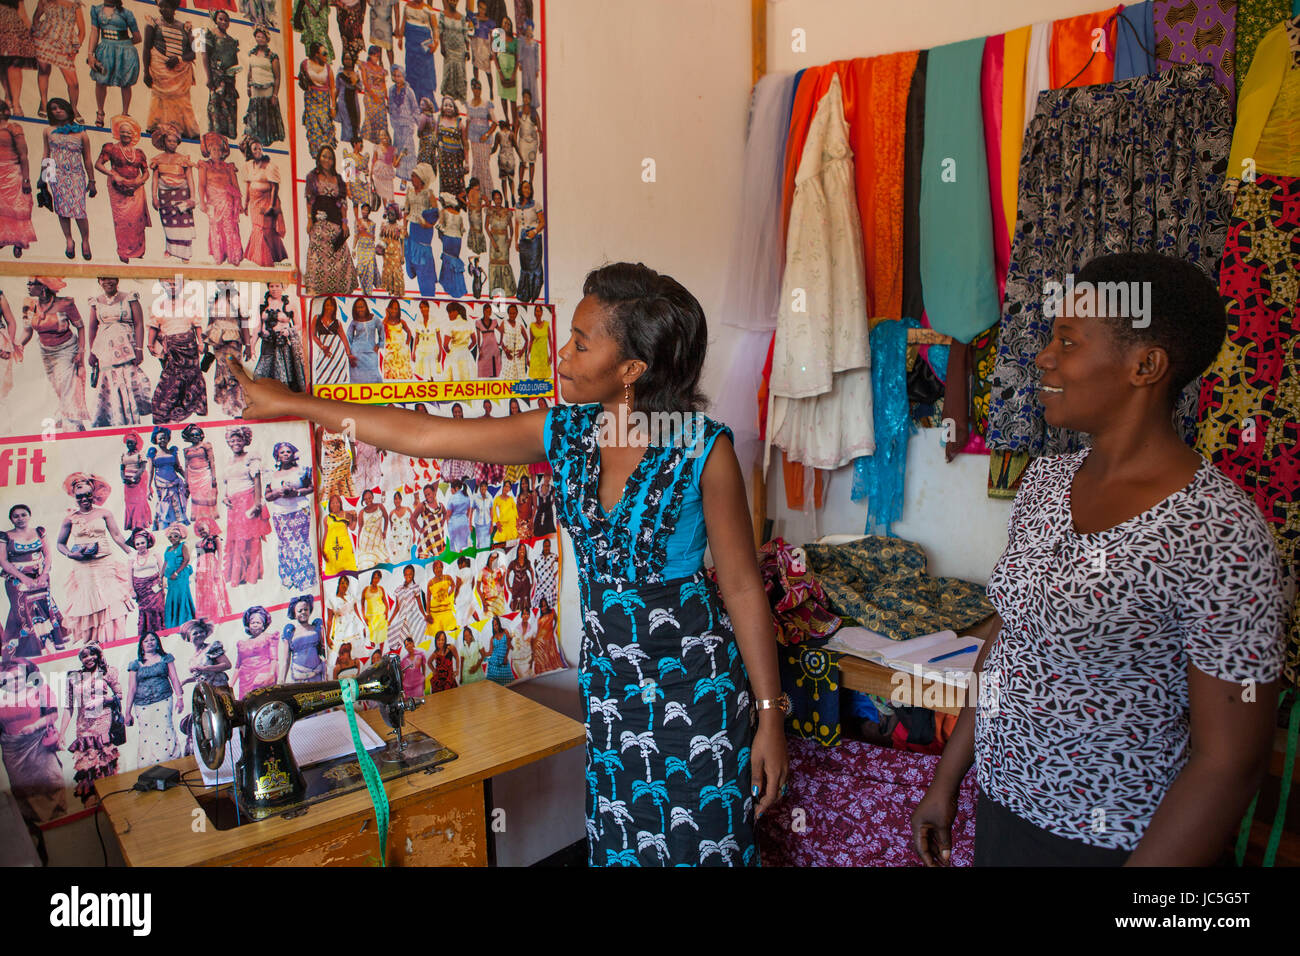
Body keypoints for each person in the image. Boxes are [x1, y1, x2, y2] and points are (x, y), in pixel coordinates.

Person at [229, 260, 789, 867]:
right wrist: (293, 402)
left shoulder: (704, 451)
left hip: (695, 697)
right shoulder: (567, 434)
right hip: (610, 699)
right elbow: (425, 437)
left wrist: (769, 718)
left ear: (630, 370)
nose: (564, 355)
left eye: (581, 343)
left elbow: (740, 588)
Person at [911, 253, 1290, 868]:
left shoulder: (1220, 532)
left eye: (1068, 340)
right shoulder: (1046, 485)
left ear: (1145, 366)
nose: (1044, 356)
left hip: (1121, 844)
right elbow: (1011, 645)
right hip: (1004, 807)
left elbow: (1231, 761)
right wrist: (948, 781)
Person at [57, 472, 134, 646]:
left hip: (104, 564)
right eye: (80, 496)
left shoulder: (104, 513)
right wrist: (71, 554)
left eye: (87, 495)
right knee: (88, 604)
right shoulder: (70, 518)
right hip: (83, 568)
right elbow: (60, 544)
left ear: (93, 495)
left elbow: (117, 536)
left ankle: (114, 642)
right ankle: (93, 645)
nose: (84, 499)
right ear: (75, 497)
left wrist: (131, 553)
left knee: (112, 603)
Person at [0, 659, 65, 824]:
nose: (13, 682)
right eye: (7, 679)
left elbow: (53, 715)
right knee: (24, 792)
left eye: (17, 677)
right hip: (14, 755)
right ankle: (34, 825)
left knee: (52, 781)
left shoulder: (40, 690)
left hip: (39, 747)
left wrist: (35, 726)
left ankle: (61, 820)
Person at [0, 504, 65, 657]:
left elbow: (48, 556)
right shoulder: (5, 536)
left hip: (40, 578)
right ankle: (27, 650)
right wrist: (23, 578)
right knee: (22, 611)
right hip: (16, 579)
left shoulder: (39, 531)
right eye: (16, 516)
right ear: (11, 519)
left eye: (23, 515)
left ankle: (48, 646)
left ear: (29, 516)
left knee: (44, 608)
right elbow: (3, 561)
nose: (20, 518)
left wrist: (43, 575)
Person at [60, 643, 121, 803]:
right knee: (87, 765)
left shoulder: (108, 672)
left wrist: (102, 699)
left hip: (103, 722)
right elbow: (68, 707)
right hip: (84, 726)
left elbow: (119, 695)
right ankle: (92, 800)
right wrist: (61, 733)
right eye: (84, 656)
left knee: (104, 761)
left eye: (92, 654)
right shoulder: (74, 677)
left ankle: (110, 797)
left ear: (98, 655)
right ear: (81, 659)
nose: (89, 658)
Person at [87, 278, 151, 428]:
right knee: (109, 381)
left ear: (117, 280)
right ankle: (114, 420)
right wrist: (92, 353)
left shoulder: (130, 298)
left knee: (127, 380)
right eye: (104, 279)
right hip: (105, 351)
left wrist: (139, 349)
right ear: (99, 281)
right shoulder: (95, 302)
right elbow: (92, 327)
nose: (108, 282)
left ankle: (130, 420)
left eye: (111, 279)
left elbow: (139, 324)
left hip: (126, 348)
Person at [41, 97, 94, 260]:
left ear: (68, 109)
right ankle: (69, 240)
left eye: (60, 107)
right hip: (56, 175)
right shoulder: (48, 131)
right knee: (62, 210)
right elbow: (46, 155)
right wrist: (43, 179)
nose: (57, 111)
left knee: (79, 210)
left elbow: (87, 159)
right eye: (53, 108)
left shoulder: (81, 132)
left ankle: (85, 240)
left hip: (76, 174)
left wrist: (92, 181)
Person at [146, 279, 205, 423]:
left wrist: (201, 342)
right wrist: (150, 344)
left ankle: (188, 408)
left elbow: (197, 325)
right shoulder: (158, 306)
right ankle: (166, 411)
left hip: (189, 347)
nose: (172, 287)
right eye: (168, 283)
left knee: (191, 378)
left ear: (182, 286)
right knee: (171, 378)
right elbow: (154, 327)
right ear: (162, 285)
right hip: (172, 349)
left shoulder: (189, 305)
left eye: (175, 284)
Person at [94, 115, 150, 263]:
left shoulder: (138, 153)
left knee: (137, 221)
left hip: (136, 190)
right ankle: (124, 251)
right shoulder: (111, 148)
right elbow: (98, 164)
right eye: (123, 132)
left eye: (129, 132)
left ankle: (138, 251)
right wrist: (113, 174)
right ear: (118, 133)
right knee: (122, 221)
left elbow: (146, 172)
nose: (126, 135)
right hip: (118, 189)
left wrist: (140, 181)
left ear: (134, 135)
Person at [304, 145, 357, 295]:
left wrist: (345, 222)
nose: (327, 160)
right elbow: (309, 199)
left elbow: (343, 202)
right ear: (319, 158)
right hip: (319, 224)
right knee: (317, 257)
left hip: (335, 223)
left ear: (334, 160)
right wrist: (309, 220)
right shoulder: (312, 176)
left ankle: (341, 290)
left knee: (341, 254)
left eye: (330, 157)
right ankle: (317, 289)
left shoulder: (338, 179)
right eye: (324, 156)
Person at [142, 0, 199, 139]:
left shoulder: (185, 27)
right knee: (161, 99)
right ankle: (158, 129)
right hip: (160, 69)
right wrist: (145, 72)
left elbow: (193, 53)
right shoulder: (153, 23)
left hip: (180, 71)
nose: (162, 9)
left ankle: (183, 129)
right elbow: (146, 48)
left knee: (182, 101)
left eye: (166, 6)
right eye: (160, 6)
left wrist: (178, 59)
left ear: (173, 6)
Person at [264, 441, 316, 592]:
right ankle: (290, 578)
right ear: (277, 456)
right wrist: (277, 493)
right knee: (286, 546)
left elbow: (310, 487)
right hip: (281, 514)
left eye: (288, 452)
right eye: (282, 452)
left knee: (301, 544)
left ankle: (305, 579)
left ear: (293, 454)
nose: (285, 454)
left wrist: (297, 493)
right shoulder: (271, 474)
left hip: (300, 511)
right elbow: (267, 496)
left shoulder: (302, 470)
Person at [124, 630, 182, 764]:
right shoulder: (135, 664)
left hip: (163, 700)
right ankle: (150, 765)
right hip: (142, 705)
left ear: (157, 642)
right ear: (141, 645)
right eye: (146, 640)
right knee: (147, 734)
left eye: (153, 639)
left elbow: (174, 678)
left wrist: (179, 698)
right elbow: (131, 689)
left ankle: (171, 762)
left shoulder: (166, 658)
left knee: (165, 729)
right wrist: (127, 712)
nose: (150, 642)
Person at [221, 426, 269, 586]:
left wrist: (257, 504)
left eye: (239, 440)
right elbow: (227, 482)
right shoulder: (228, 460)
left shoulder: (251, 458)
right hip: (233, 505)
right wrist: (225, 497)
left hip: (248, 500)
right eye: (232, 440)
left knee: (249, 538)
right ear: (228, 442)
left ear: (245, 441)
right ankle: (237, 574)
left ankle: (251, 574)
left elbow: (257, 481)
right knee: (235, 538)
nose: (236, 443)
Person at [149, 122, 195, 262]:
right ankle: (170, 249)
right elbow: (155, 179)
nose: (172, 144)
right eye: (169, 141)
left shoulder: (183, 159)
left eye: (175, 141)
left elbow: (190, 179)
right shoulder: (158, 159)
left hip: (181, 193)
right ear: (164, 141)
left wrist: (193, 197)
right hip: (165, 195)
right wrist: (154, 197)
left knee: (182, 224)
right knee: (168, 223)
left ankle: (185, 253)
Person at [32, 0, 84, 121]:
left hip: (65, 45)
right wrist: (38, 35)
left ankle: (73, 109)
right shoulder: (44, 1)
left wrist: (75, 49)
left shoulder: (75, 5)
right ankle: (44, 104)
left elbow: (82, 31)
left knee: (73, 83)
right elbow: (35, 19)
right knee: (44, 71)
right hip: (45, 40)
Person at [196, 131, 242, 266]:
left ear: (223, 152)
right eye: (213, 149)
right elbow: (201, 185)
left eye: (219, 149)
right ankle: (219, 256)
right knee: (215, 228)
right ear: (209, 150)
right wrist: (202, 202)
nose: (216, 151)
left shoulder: (229, 167)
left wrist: (239, 205)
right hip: (213, 202)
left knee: (229, 228)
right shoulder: (204, 166)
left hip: (228, 201)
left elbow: (236, 186)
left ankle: (233, 257)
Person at [241, 136, 288, 265]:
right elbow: (248, 185)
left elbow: (275, 187)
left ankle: (267, 258)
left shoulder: (270, 166)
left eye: (260, 148)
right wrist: (245, 204)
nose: (258, 151)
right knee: (256, 228)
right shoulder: (248, 166)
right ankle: (256, 257)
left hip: (266, 201)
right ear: (250, 151)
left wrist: (271, 206)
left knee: (264, 228)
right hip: (254, 203)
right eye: (255, 149)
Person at [0, 98, 34, 257]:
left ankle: (19, 241)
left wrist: (26, 179)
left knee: (18, 208)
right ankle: (3, 238)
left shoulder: (13, 127)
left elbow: (23, 154)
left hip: (13, 172)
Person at [255, 283, 305, 392]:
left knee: (282, 377)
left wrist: (289, 330)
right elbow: (258, 327)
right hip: (267, 345)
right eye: (272, 286)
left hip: (283, 345)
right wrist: (251, 346)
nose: (274, 289)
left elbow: (299, 325)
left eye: (277, 286)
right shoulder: (263, 304)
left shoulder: (290, 305)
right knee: (259, 374)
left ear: (283, 287)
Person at [243, 26, 283, 146]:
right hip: (255, 89)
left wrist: (275, 94)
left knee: (266, 114)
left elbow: (277, 77)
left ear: (267, 39)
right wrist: (247, 86)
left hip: (268, 89)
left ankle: (266, 139)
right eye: (258, 36)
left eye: (262, 37)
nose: (260, 39)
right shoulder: (252, 54)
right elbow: (250, 71)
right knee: (254, 113)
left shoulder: (272, 56)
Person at [202, 9, 238, 139]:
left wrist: (233, 75)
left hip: (229, 79)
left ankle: (228, 135)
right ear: (215, 20)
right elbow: (205, 55)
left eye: (226, 20)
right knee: (216, 105)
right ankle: (215, 135)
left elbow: (234, 61)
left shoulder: (232, 40)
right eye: (220, 19)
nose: (223, 22)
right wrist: (209, 77)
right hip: (216, 77)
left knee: (229, 106)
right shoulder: (210, 35)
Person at [298, 40, 334, 160]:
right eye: (324, 53)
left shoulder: (328, 68)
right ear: (316, 54)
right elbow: (301, 78)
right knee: (313, 126)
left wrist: (333, 106)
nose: (326, 56)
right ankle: (316, 153)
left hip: (323, 100)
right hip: (311, 99)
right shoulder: (305, 64)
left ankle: (326, 153)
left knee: (325, 125)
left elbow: (332, 88)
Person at [146, 425, 188, 528]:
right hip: (161, 483)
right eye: (160, 438)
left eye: (164, 437)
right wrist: (148, 487)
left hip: (174, 482)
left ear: (168, 438)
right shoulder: (153, 453)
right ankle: (165, 525)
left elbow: (178, 467)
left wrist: (187, 479)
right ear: (155, 439)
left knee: (177, 503)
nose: (162, 440)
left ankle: (178, 525)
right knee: (164, 504)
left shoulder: (172, 452)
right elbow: (150, 471)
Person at [191, 517, 230, 623]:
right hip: (201, 569)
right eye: (200, 530)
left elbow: (220, 555)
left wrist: (218, 570)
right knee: (203, 591)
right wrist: (195, 574)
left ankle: (217, 613)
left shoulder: (215, 539)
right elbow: (198, 558)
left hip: (212, 565)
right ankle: (206, 615)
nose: (202, 532)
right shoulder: (198, 544)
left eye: (203, 529)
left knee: (214, 589)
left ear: (209, 528)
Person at [279, 595, 325, 683]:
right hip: (299, 676)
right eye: (300, 611)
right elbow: (286, 660)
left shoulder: (317, 628)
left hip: (317, 675)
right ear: (294, 614)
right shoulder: (290, 632)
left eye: (306, 609)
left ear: (310, 610)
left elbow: (323, 651)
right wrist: (281, 681)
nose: (303, 612)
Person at [128, 527, 164, 635]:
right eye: (137, 544)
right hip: (140, 588)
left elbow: (162, 570)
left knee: (157, 608)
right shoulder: (132, 557)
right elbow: (129, 575)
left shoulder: (155, 554)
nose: (140, 546)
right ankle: (147, 633)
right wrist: (131, 590)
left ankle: (160, 632)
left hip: (155, 585)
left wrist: (162, 583)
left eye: (142, 543)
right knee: (144, 611)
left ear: (147, 542)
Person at [234, 605, 275, 696]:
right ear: (248, 625)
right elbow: (238, 666)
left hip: (262, 679)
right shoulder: (242, 644)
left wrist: (271, 675)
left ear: (263, 625)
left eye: (258, 622)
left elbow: (274, 659)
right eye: (252, 623)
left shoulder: (268, 638)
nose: (255, 625)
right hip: (245, 681)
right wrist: (231, 684)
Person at [180, 423, 218, 522]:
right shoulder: (187, 450)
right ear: (189, 437)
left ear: (201, 435)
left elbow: (212, 462)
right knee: (196, 498)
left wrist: (214, 478)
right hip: (193, 478)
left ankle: (208, 518)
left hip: (205, 475)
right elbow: (186, 466)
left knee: (205, 496)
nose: (195, 437)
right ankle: (199, 519)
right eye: (192, 435)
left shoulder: (206, 446)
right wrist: (186, 480)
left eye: (197, 434)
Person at [514, 178, 544, 302]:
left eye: (529, 188)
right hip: (523, 241)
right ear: (521, 189)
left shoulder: (536, 204)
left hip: (534, 241)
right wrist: (516, 241)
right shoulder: (517, 205)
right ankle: (525, 294)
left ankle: (534, 294)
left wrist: (535, 231)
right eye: (525, 187)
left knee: (534, 267)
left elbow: (542, 223)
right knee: (525, 267)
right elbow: (516, 224)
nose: (527, 190)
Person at [161, 522, 193, 629]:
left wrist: (176, 572)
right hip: (171, 578)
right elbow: (165, 562)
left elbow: (186, 560)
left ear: (180, 536)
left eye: (175, 536)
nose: (172, 538)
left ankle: (185, 621)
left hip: (180, 576)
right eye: (170, 537)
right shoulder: (167, 549)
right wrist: (161, 576)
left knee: (182, 595)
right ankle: (173, 623)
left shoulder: (183, 546)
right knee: (172, 597)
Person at [388, 563, 428, 649]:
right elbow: (397, 607)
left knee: (415, 639)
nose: (408, 576)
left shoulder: (415, 587)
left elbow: (420, 603)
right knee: (396, 640)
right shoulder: (399, 589)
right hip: (402, 617)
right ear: (403, 575)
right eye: (406, 574)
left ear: (413, 575)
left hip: (413, 616)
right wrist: (390, 620)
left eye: (410, 574)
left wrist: (425, 615)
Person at [346, 298, 382, 383]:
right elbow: (348, 337)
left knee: (374, 375)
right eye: (358, 307)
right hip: (357, 354)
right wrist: (350, 353)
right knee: (357, 378)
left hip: (371, 353)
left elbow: (382, 330)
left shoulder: (374, 319)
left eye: (362, 307)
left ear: (366, 307)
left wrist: (379, 344)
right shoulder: (354, 322)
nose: (360, 309)